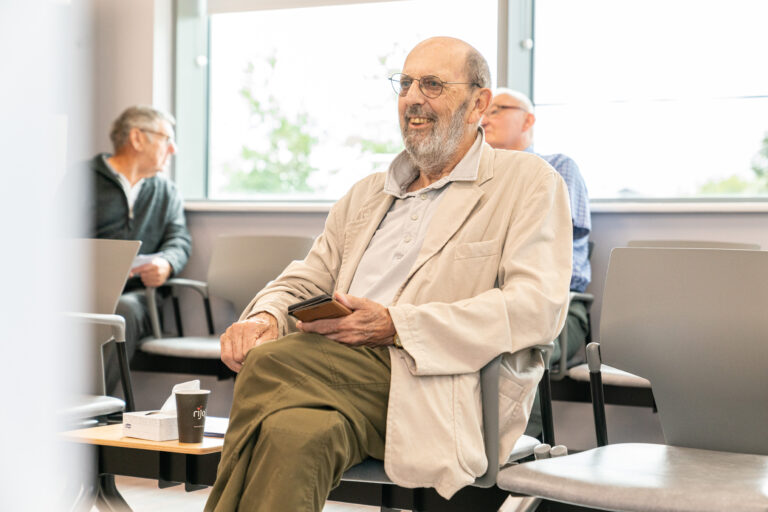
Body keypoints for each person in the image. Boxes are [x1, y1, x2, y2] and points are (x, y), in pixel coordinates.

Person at [206, 38, 572, 512]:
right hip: (328, 371)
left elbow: (537, 309)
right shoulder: (366, 195)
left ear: (478, 102)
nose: (413, 98)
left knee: (270, 362)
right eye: (405, 84)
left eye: (433, 85)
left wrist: (396, 325)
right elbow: (306, 277)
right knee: (291, 432)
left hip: (434, 381)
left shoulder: (527, 181)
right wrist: (264, 320)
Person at [482, 88, 591, 436]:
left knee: (519, 346)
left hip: (560, 307)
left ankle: (522, 463)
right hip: (489, 302)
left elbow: (546, 240)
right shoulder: (474, 178)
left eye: (497, 109)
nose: (484, 118)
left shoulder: (557, 167)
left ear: (528, 120)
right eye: (482, 110)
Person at [86, 106, 191, 394]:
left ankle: (95, 405)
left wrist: (167, 264)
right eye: (166, 138)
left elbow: (179, 239)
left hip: (138, 296)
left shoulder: (165, 192)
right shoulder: (82, 181)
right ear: (137, 138)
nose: (174, 149)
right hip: (83, 291)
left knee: (124, 311)